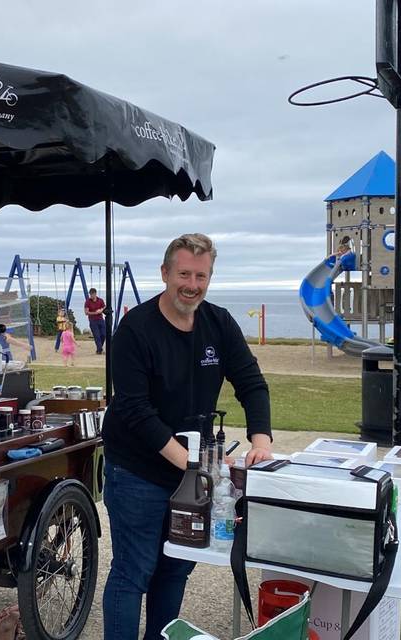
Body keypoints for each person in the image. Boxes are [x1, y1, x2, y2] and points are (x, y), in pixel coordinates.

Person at [101, 233, 273, 640]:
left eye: (201, 275)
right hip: (137, 470)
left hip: (189, 472)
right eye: (183, 274)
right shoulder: (135, 329)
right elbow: (135, 410)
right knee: (133, 570)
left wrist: (261, 441)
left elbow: (251, 382)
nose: (192, 285)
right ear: (164, 273)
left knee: (176, 564)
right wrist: (194, 466)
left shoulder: (219, 322)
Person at [84, 288, 107, 354]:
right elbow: (86, 312)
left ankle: (99, 348)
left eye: (92, 294)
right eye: (90, 295)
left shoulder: (100, 300)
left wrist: (101, 310)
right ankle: (100, 350)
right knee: (97, 336)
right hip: (93, 320)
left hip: (100, 319)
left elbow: (104, 307)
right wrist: (95, 313)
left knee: (103, 334)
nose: (91, 296)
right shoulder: (88, 301)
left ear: (95, 294)